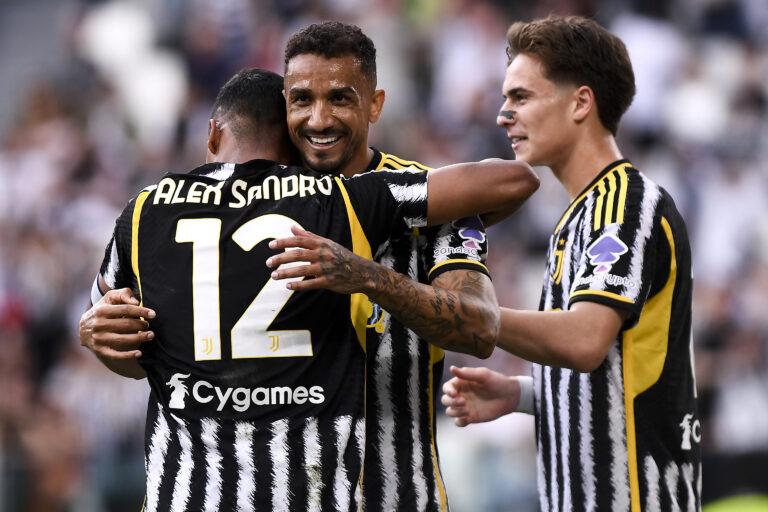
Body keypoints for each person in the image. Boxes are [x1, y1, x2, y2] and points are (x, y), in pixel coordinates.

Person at [81, 21, 540, 511]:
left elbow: (480, 328)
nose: (319, 119)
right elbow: (149, 358)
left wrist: (370, 277)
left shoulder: (433, 201)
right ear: (284, 107)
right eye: (301, 100)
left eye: (340, 98)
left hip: (398, 492)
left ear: (375, 104)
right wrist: (100, 338)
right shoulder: (252, 211)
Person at [439, 16, 701, 511]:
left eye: (521, 97)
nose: (502, 114)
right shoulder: (580, 216)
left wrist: (472, 317)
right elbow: (621, 375)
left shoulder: (627, 203)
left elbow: (584, 341)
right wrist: (519, 394)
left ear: (581, 102)